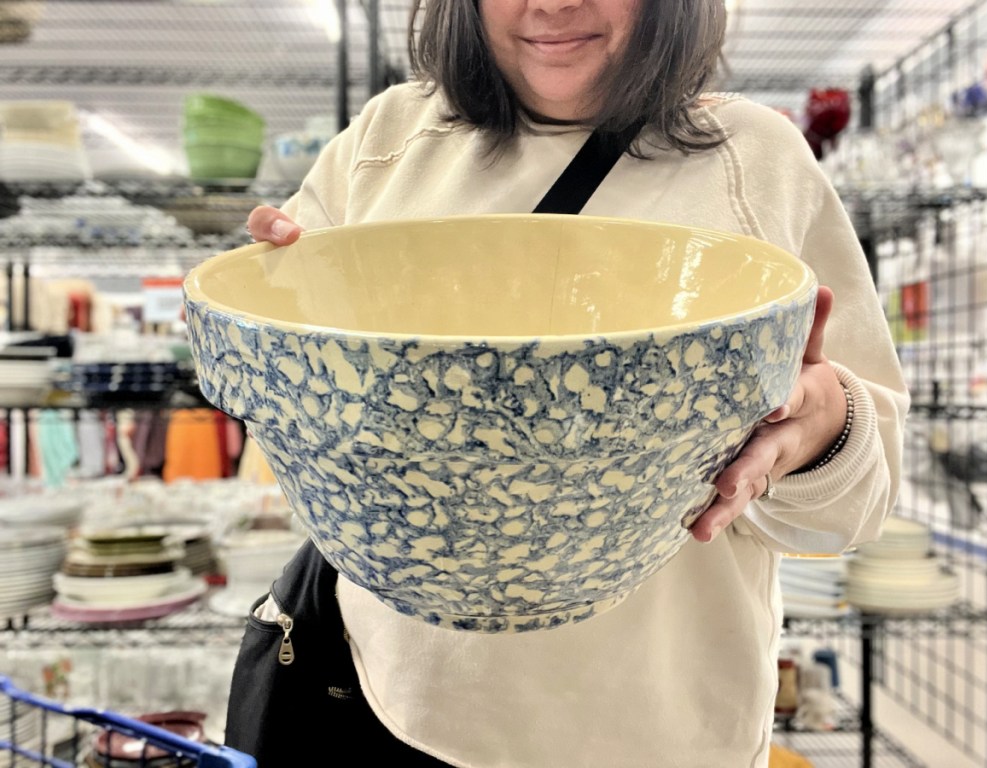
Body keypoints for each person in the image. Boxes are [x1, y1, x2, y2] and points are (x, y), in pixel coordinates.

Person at [226, 0, 910, 765]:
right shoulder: (387, 141)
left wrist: (824, 428)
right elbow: (285, 393)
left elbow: (860, 501)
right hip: (390, 704)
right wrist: (271, 303)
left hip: (654, 732)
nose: (551, 4)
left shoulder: (755, 160)